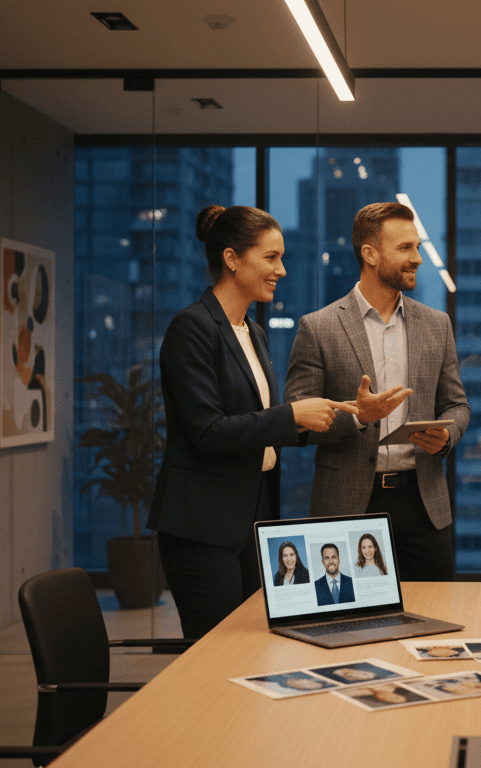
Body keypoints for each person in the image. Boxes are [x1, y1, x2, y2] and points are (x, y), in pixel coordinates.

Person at [147, 204, 356, 638]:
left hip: (250, 520)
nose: (281, 269)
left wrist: (327, 416)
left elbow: (261, 427)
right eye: (270, 257)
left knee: (251, 649)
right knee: (215, 660)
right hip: (203, 527)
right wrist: (290, 415)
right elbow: (208, 432)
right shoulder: (191, 328)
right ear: (231, 259)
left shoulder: (253, 332)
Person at [285, 202, 470, 582]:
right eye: (405, 248)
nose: (417, 258)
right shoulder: (318, 327)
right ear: (370, 254)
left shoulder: (437, 325)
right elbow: (295, 421)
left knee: (437, 619)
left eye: (417, 247)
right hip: (347, 502)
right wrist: (358, 418)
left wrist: (447, 436)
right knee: (351, 626)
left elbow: (456, 403)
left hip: (424, 503)